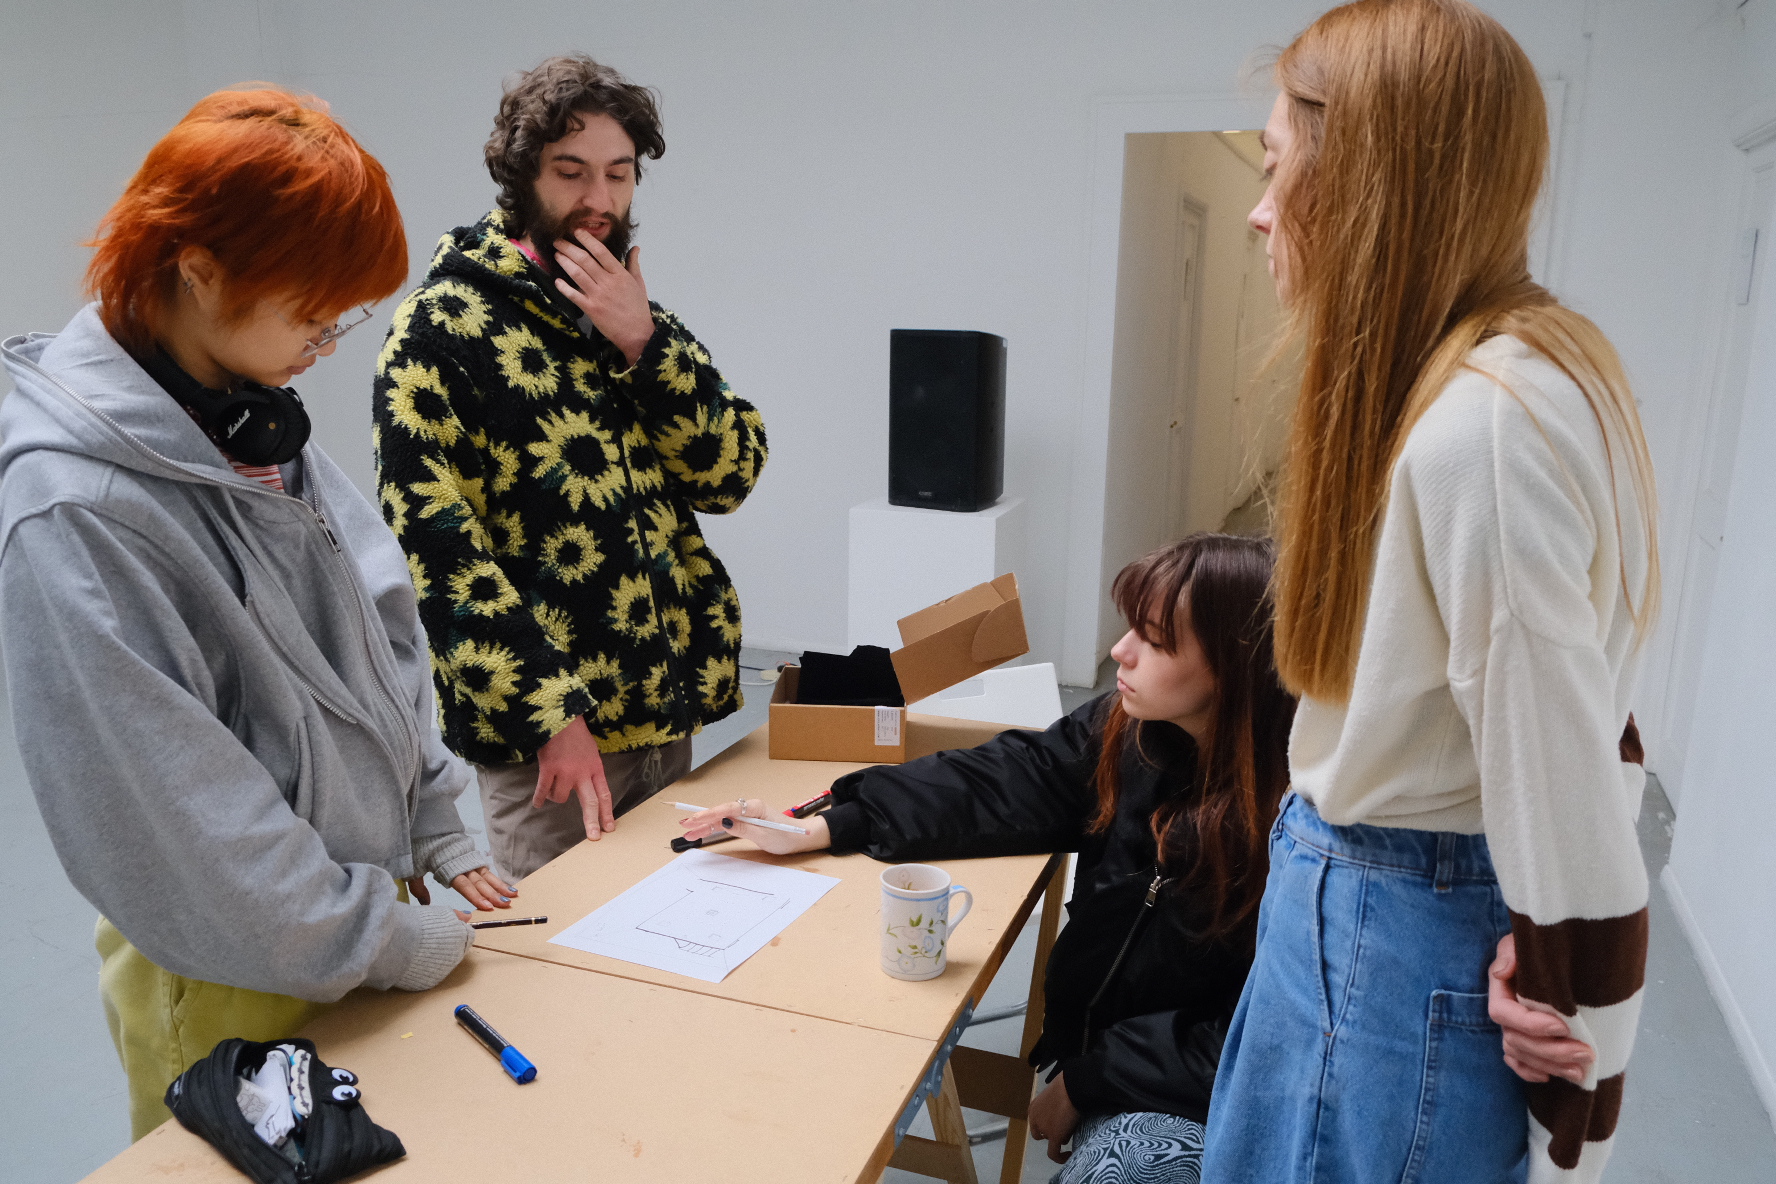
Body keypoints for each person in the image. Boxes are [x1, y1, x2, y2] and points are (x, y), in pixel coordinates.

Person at [1199, 3, 1660, 1182]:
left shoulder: (1483, 429)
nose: (1259, 208)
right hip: (1376, 916)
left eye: (1275, 165)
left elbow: (1567, 770)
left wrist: (1579, 1078)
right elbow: (1590, 714)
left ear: (1365, 182)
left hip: (1389, 932)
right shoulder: (1538, 370)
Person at [0, 87, 514, 1141]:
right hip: (235, 965)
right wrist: (381, 936)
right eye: (314, 311)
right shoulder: (77, 508)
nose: (329, 340)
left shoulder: (247, 415)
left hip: (344, 920)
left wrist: (429, 814)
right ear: (198, 270)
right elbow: (183, 814)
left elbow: (372, 629)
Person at [682, 534, 1296, 1183]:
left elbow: (1275, 1044)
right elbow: (1014, 777)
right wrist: (830, 823)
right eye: (1130, 627)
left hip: (1207, 1098)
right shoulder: (1135, 731)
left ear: (1235, 664)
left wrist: (1090, 1081)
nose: (1120, 650)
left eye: (1155, 640)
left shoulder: (1297, 829)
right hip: (1121, 1060)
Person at [374, 52, 767, 883]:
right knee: (558, 956)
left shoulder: (636, 315)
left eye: (618, 174)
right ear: (521, 175)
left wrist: (644, 346)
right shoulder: (440, 330)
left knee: (674, 935)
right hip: (551, 750)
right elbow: (437, 550)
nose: (599, 199)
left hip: (667, 719)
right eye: (571, 171)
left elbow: (729, 474)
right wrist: (549, 716)